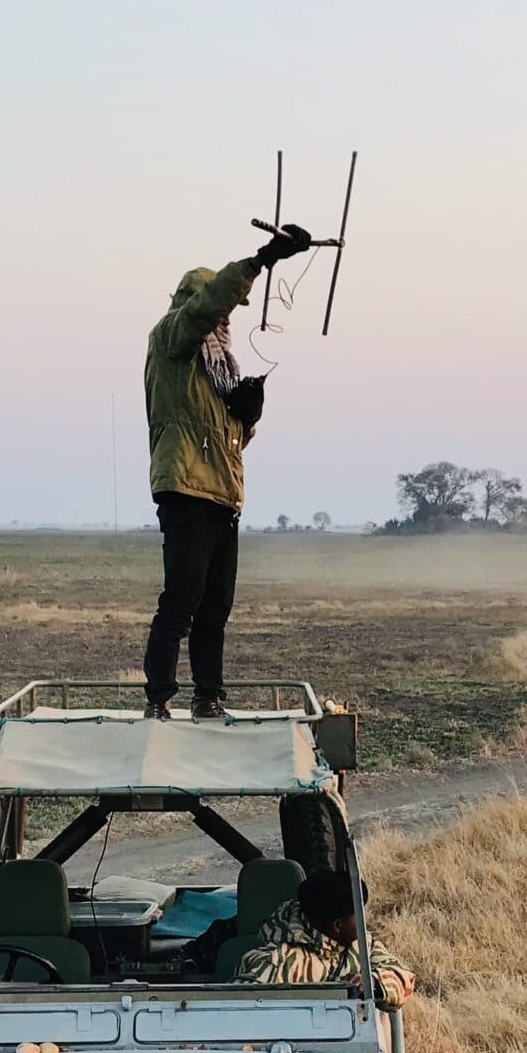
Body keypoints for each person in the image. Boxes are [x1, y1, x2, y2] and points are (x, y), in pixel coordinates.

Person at [141, 220, 316, 719]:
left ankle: (208, 697)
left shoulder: (218, 368)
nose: (226, 321)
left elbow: (227, 441)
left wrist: (246, 417)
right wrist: (262, 260)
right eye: (222, 311)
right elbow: (206, 307)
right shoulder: (172, 338)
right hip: (185, 488)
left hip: (223, 494)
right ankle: (158, 699)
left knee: (215, 608)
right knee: (181, 601)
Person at [238, 867, 416, 1008]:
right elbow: (238, 1009)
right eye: (358, 916)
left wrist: (374, 981)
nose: (364, 921)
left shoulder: (360, 945)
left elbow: (404, 978)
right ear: (338, 926)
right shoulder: (275, 961)